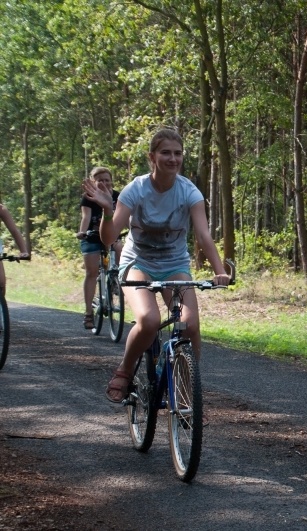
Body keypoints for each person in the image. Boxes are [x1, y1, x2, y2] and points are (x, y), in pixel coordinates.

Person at [82, 128, 230, 403]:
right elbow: (109, 237)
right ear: (152, 157)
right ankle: (125, 370)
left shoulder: (189, 192)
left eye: (178, 153)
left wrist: (219, 270)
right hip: (138, 262)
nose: (173, 159)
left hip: (174, 263)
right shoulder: (135, 189)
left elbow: (203, 236)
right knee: (149, 321)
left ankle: (188, 394)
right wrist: (107, 211)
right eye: (166, 153)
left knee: (190, 325)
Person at [76, 167, 122, 329]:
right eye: (100, 180)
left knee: (120, 247)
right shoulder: (88, 197)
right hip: (92, 235)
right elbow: (86, 216)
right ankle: (89, 313)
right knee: (92, 272)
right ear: (94, 182)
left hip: (111, 235)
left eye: (106, 179)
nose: (104, 182)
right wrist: (82, 232)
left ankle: (117, 277)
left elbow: (124, 217)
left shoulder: (118, 196)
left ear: (111, 181)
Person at [0, 203, 30, 296]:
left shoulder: (1, 209)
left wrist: (24, 251)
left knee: (1, 282)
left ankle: (1, 307)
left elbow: (14, 230)